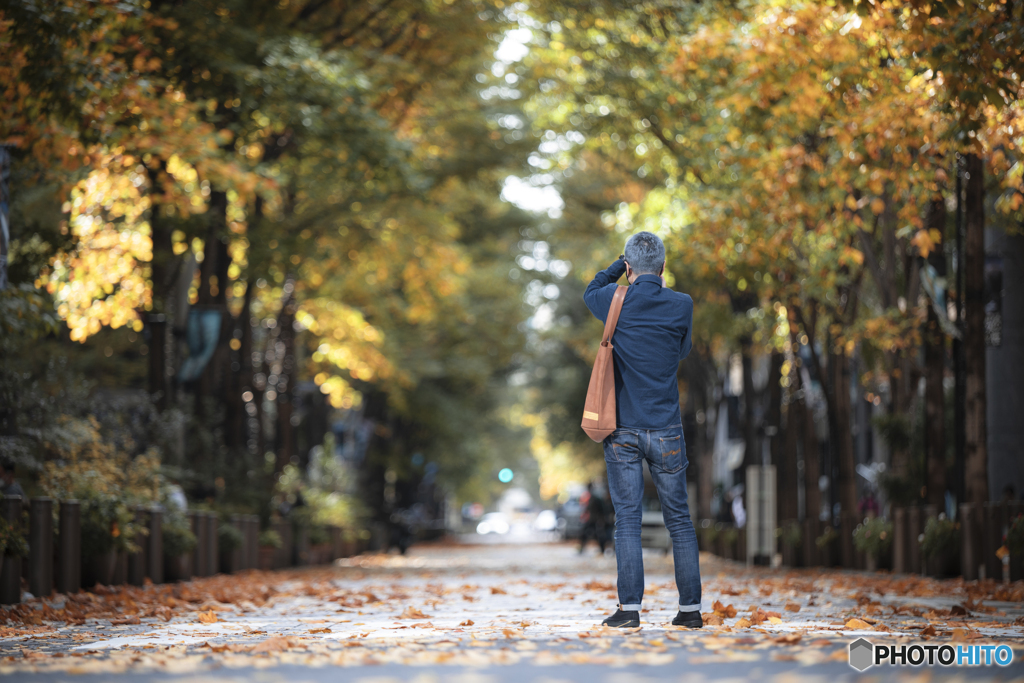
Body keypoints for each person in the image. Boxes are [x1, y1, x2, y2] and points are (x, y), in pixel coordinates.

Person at [583, 231, 702, 629]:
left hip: (624, 432)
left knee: (627, 519)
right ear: (664, 267)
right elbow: (683, 351)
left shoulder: (614, 300)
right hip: (667, 427)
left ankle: (630, 610)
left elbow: (591, 289)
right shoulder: (681, 304)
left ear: (630, 268)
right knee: (680, 521)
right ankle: (690, 612)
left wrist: (620, 265)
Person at [578, 482, 608, 555]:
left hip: (595, 519)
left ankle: (602, 549)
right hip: (590, 519)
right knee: (584, 534)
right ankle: (581, 549)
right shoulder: (589, 498)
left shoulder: (595, 498)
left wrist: (601, 519)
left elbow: (602, 509)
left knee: (598, 535)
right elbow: (587, 509)